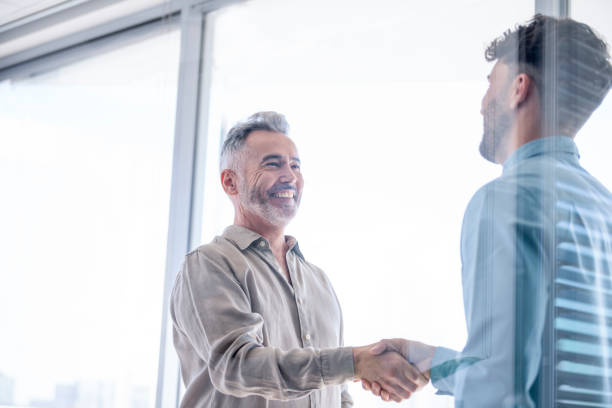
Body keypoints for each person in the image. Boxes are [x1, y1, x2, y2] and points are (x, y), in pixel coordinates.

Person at [362, 14, 612, 407]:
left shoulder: (506, 200)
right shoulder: (604, 207)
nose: (482, 105)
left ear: (518, 89)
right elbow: (544, 368)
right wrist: (432, 361)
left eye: (490, 85)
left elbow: (498, 386)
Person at [170, 111, 427, 407]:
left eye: (295, 165)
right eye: (273, 164)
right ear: (230, 183)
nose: (290, 176)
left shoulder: (318, 280)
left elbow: (337, 393)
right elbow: (238, 367)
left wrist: (366, 366)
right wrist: (356, 362)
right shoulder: (209, 265)